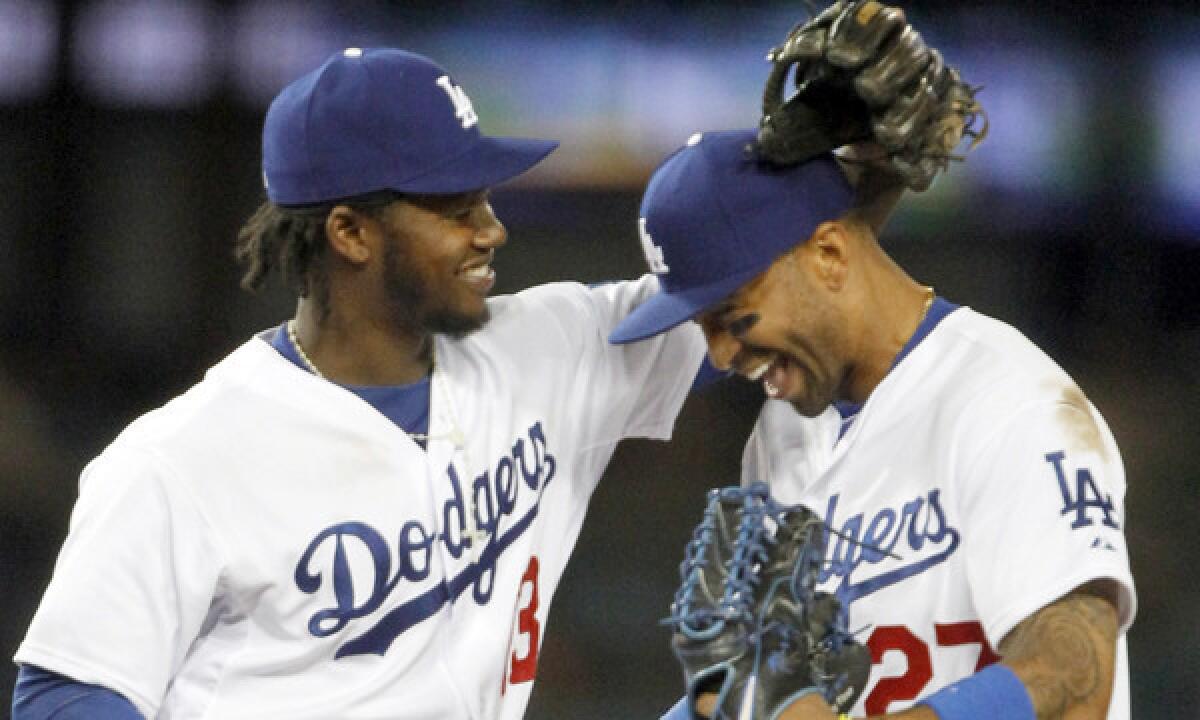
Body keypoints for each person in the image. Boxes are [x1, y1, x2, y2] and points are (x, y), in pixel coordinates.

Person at [11, 47, 708, 719]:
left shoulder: (548, 346)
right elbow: (68, 695)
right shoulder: (182, 458)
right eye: (455, 208)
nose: (491, 230)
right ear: (349, 232)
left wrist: (803, 149)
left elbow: (745, 300)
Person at [609, 129, 1136, 719]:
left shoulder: (1010, 402)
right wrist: (715, 701)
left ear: (830, 254)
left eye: (729, 315)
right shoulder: (783, 435)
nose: (720, 355)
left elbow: (1074, 678)